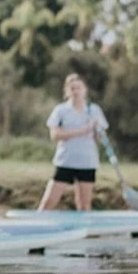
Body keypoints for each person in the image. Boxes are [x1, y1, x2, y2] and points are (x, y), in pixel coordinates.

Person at [38, 74, 107, 211]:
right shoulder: (61, 110)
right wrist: (81, 131)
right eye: (72, 88)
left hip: (87, 162)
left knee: (84, 204)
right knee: (48, 202)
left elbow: (100, 138)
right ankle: (35, 227)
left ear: (84, 90)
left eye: (78, 88)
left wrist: (97, 130)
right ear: (67, 91)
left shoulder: (94, 110)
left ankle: (84, 231)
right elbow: (55, 135)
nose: (76, 91)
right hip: (66, 161)